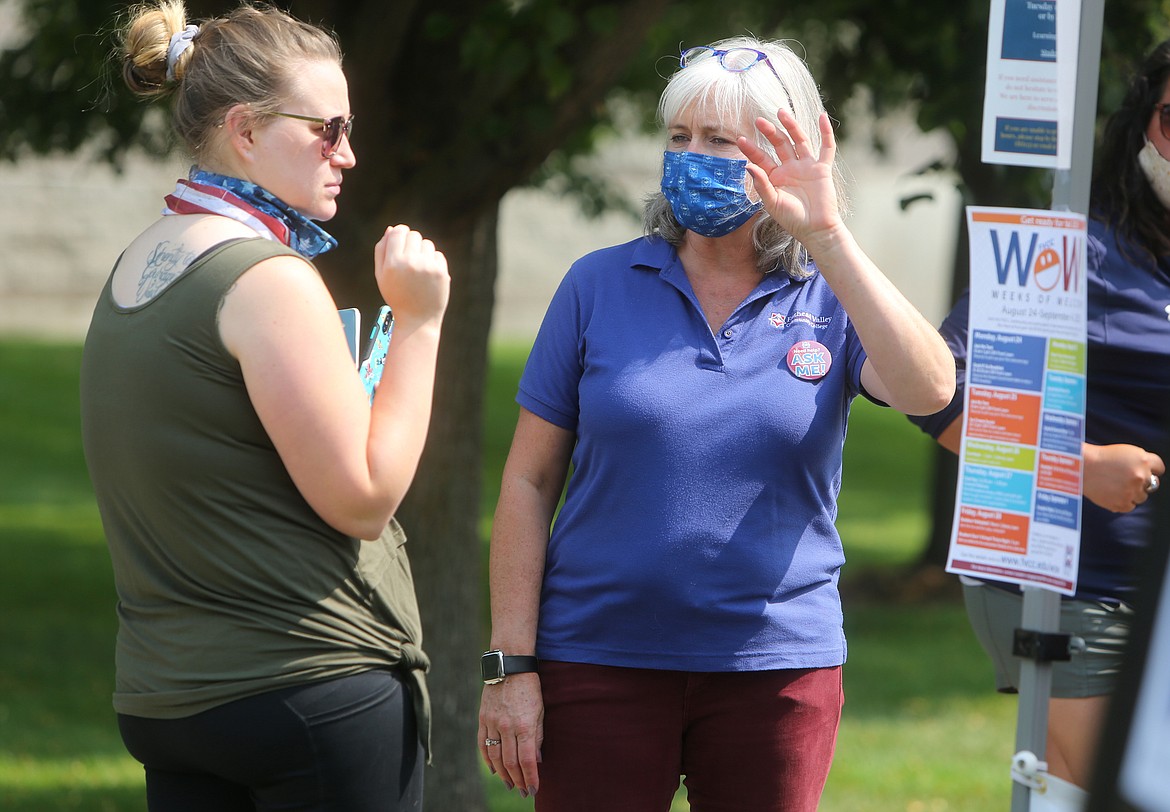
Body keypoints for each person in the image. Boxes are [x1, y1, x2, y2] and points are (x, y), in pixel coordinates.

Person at [476, 36, 954, 811]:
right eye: (678, 137)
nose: (690, 157)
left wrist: (828, 237)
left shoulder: (830, 297)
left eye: (718, 141)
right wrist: (511, 666)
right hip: (598, 662)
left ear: (782, 150)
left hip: (775, 674)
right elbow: (527, 483)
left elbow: (931, 391)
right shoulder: (596, 285)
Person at [78, 2, 450, 810]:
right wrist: (419, 322)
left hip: (170, 698)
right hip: (306, 687)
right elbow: (363, 495)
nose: (348, 154)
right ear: (245, 130)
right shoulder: (268, 279)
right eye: (327, 130)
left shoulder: (138, 264)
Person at [908, 41, 1170, 792]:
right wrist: (1078, 466)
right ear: (1141, 124)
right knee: (1111, 795)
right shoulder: (1073, 250)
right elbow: (933, 389)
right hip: (1083, 589)